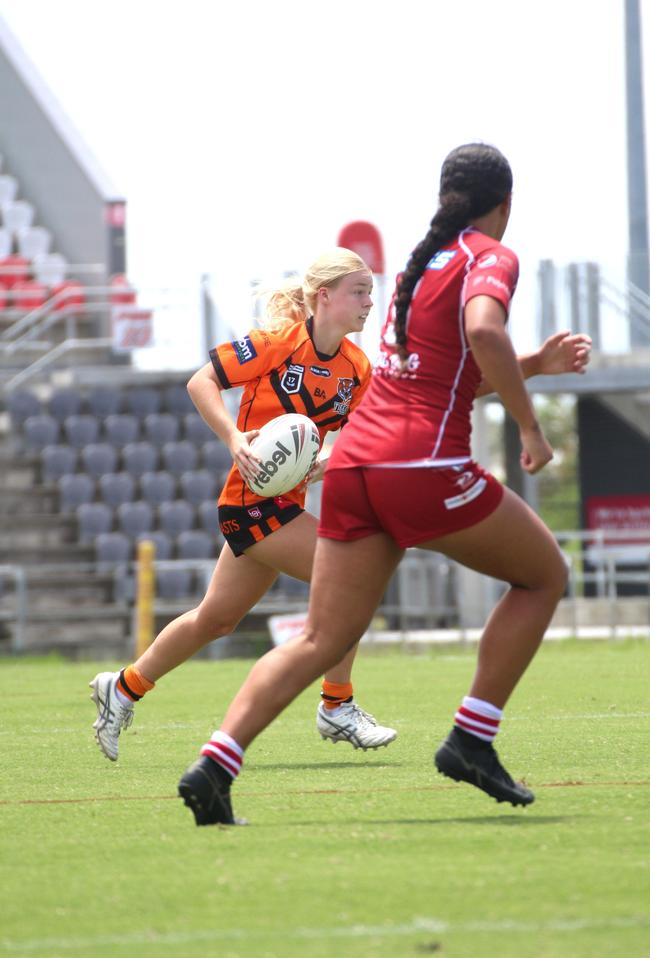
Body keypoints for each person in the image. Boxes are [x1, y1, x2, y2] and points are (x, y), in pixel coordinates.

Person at [176, 141, 592, 825]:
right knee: (544, 574)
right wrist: (531, 427)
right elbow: (484, 331)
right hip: (421, 465)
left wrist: (534, 366)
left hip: (353, 468)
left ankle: (216, 763)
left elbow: (438, 377)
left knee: (320, 638)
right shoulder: (490, 256)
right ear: (504, 204)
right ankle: (472, 736)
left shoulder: (419, 266)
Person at [89, 249, 398, 762]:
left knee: (216, 619)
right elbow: (200, 381)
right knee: (354, 576)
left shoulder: (356, 368)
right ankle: (336, 705)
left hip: (280, 506)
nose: (370, 302)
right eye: (359, 292)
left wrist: (327, 457)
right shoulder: (277, 344)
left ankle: (122, 687)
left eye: (370, 292)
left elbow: (357, 434)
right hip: (252, 503)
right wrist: (234, 437)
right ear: (325, 297)